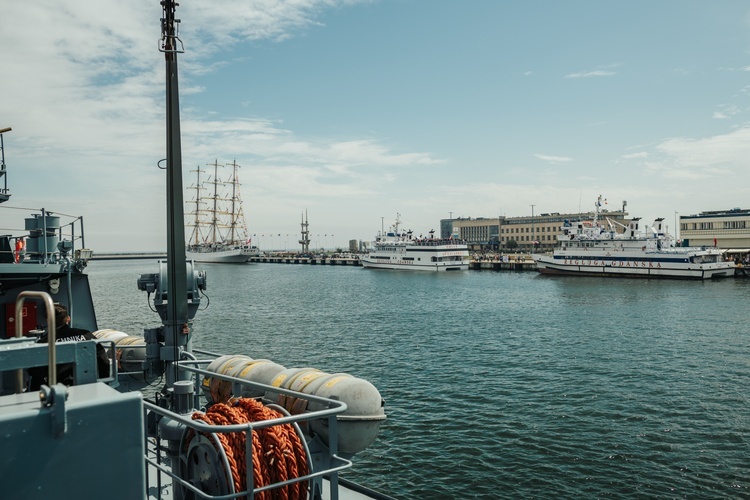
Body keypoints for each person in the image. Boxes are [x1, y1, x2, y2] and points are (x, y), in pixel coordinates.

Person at [28, 303, 110, 391]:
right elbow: (104, 361)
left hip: (57, 390)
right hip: (85, 386)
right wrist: (104, 383)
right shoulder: (87, 335)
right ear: (68, 319)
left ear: (49, 320)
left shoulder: (44, 342)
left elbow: (35, 371)